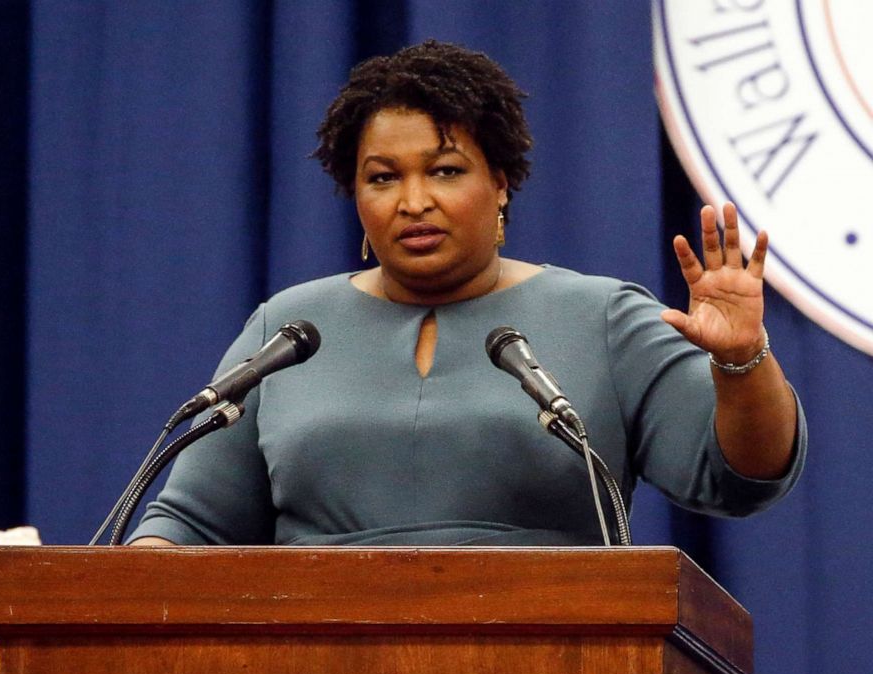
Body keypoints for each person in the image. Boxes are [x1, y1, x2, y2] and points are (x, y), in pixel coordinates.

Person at [129, 40, 805, 547]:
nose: (414, 202)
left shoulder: (603, 318)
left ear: (502, 181)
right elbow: (189, 521)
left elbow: (743, 474)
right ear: (354, 194)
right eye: (383, 178)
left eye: (446, 170)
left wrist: (741, 361)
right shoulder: (289, 328)